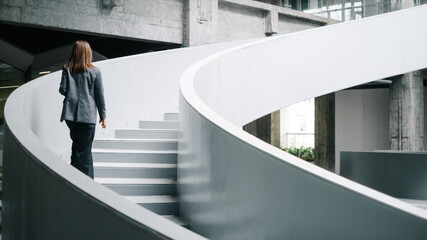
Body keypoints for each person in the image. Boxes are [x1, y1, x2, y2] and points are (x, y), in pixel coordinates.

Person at [59, 40, 106, 179]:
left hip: (70, 116)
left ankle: (74, 179)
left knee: (77, 147)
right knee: (84, 151)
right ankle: (86, 184)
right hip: (87, 116)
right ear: (88, 53)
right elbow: (99, 95)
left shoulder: (67, 69)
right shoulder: (95, 71)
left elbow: (62, 90)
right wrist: (103, 116)